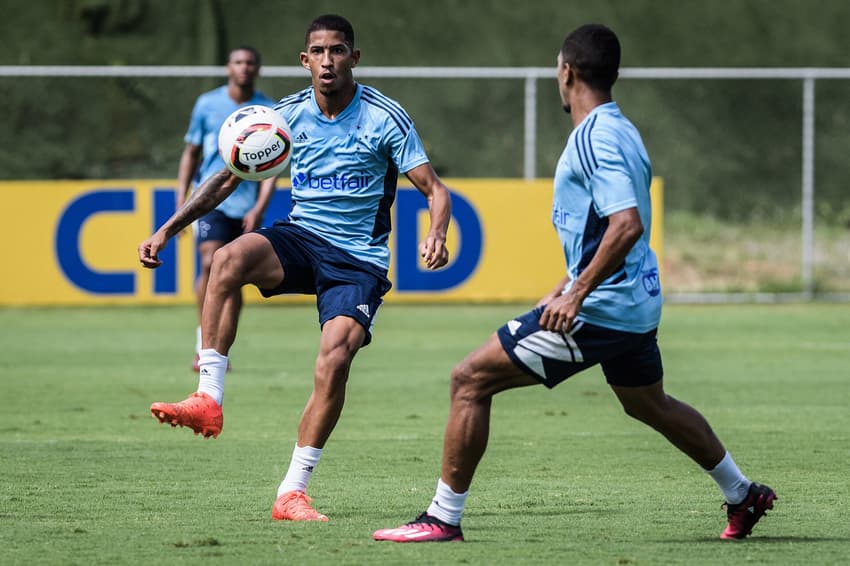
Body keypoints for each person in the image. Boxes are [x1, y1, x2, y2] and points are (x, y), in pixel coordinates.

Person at [373, 24, 776, 543]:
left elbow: (625, 224)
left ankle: (441, 518)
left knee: (469, 380)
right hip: (634, 302)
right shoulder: (621, 128)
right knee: (648, 403)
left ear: (567, 72)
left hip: (602, 309)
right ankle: (742, 493)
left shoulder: (595, 137)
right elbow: (605, 226)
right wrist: (564, 283)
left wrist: (577, 292)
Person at [139, 14, 451, 522]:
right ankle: (209, 396)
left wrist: (436, 232)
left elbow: (435, 190)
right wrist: (166, 230)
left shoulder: (385, 118)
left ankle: (291, 492)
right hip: (303, 239)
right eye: (319, 52)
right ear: (305, 61)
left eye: (338, 50)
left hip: (358, 261)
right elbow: (223, 181)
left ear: (354, 56)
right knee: (226, 258)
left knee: (334, 360)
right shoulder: (282, 118)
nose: (328, 60)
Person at [178, 45, 278, 371]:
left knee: (233, 276)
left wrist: (260, 207)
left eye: (250, 62)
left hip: (246, 204)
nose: (244, 68)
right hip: (211, 198)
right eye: (238, 62)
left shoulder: (268, 110)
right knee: (210, 261)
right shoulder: (207, 104)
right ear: (228, 68)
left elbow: (274, 168)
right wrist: (183, 199)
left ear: (258, 69)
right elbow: (191, 153)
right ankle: (201, 345)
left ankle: (219, 349)